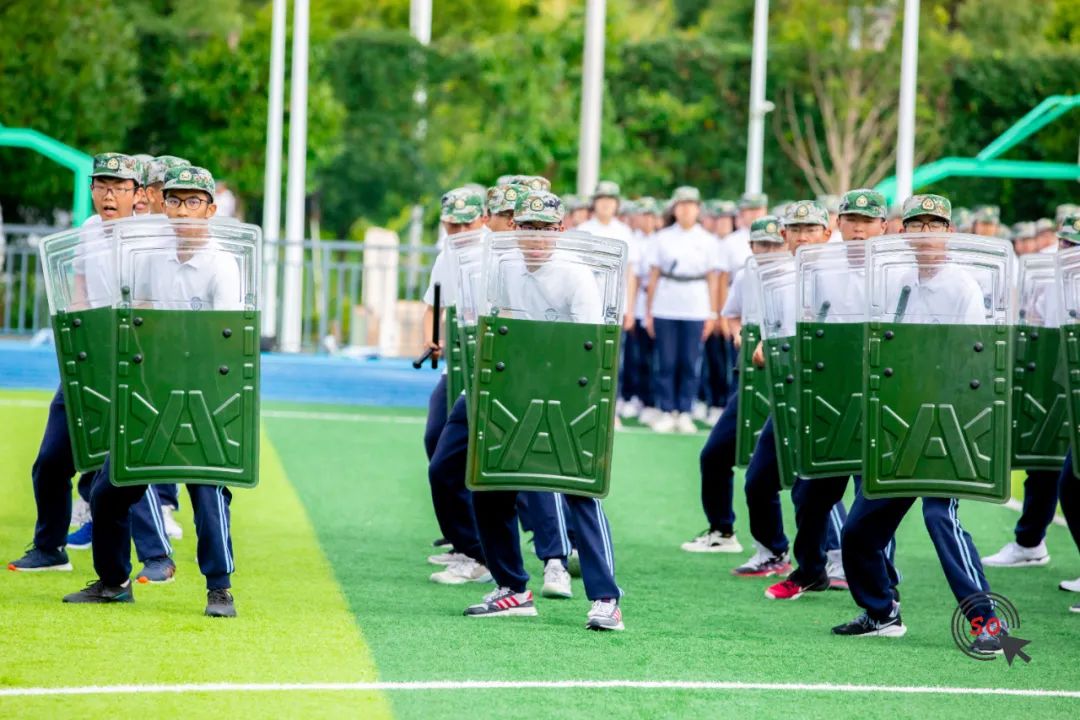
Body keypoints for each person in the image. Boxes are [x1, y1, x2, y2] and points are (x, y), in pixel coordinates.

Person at [62, 165, 242, 617]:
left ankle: (219, 589)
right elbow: (137, 314)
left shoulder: (224, 264)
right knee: (108, 490)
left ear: (211, 209)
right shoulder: (149, 257)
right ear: (163, 205)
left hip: (201, 395)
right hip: (150, 391)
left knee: (207, 492)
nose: (183, 210)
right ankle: (113, 581)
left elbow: (227, 338)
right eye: (175, 201)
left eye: (193, 202)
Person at [832, 194, 1001, 651]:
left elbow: (975, 361)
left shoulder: (963, 286)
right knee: (860, 530)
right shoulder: (893, 280)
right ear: (903, 232)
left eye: (935, 224)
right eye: (917, 225)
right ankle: (881, 611)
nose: (926, 233)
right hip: (898, 421)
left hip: (943, 422)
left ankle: (987, 623)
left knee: (939, 516)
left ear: (949, 231)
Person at [463, 189, 625, 631]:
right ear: (514, 230)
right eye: (527, 228)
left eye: (544, 229)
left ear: (560, 231)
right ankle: (513, 588)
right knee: (488, 487)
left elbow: (593, 347)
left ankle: (607, 598)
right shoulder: (501, 269)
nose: (535, 238)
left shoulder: (576, 276)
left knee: (580, 494)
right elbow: (495, 329)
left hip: (568, 394)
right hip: (515, 390)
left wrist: (595, 405)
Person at [8, 153, 174, 580]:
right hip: (88, 359)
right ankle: (50, 547)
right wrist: (79, 339)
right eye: (101, 186)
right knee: (51, 461)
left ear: (137, 194)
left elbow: (154, 304)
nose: (108, 195)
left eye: (118, 187)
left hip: (133, 362)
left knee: (122, 467)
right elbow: (79, 289)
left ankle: (157, 557)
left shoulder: (152, 238)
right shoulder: (86, 231)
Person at [763, 190, 896, 600]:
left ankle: (884, 584)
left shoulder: (895, 272)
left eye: (868, 221)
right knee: (810, 491)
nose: (858, 228)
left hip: (878, 397)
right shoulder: (819, 268)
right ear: (838, 225)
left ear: (883, 227)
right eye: (851, 219)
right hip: (829, 395)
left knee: (873, 495)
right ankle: (810, 569)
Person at [731, 201, 838, 578]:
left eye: (812, 229)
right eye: (796, 230)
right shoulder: (780, 277)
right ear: (784, 236)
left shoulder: (842, 274)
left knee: (823, 481)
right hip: (791, 394)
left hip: (834, 395)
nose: (804, 236)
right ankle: (774, 551)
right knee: (758, 479)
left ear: (828, 233)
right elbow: (774, 327)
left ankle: (836, 557)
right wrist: (764, 341)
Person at [681, 215, 787, 554]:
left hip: (789, 380)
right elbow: (732, 313)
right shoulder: (746, 275)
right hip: (752, 380)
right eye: (761, 245)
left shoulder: (796, 276)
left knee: (803, 473)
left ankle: (827, 554)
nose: (768, 251)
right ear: (751, 246)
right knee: (714, 455)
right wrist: (741, 333)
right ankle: (722, 530)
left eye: (774, 244)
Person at [644, 186, 720, 434]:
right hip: (666, 304)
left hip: (696, 305)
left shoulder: (708, 240)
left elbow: (713, 279)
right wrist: (649, 312)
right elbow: (653, 277)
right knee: (666, 361)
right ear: (674, 209)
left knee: (690, 361)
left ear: (698, 209)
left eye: (691, 205)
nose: (686, 210)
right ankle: (666, 409)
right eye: (681, 205)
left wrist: (712, 313)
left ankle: (685, 410)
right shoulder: (662, 237)